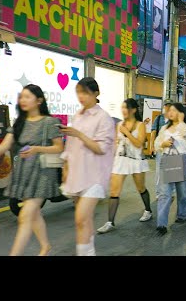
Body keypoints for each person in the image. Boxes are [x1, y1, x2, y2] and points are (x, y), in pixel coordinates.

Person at [0, 84, 63, 256]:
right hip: (23, 173)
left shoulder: (50, 122)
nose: (22, 100)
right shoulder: (19, 123)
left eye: (27, 96)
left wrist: (37, 149)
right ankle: (45, 246)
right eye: (21, 96)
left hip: (42, 174)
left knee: (25, 216)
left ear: (38, 101)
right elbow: (3, 147)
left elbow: (59, 147)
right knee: (34, 214)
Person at [60, 77, 116, 256]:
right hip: (77, 173)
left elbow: (100, 148)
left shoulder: (104, 118)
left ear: (96, 93)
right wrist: (66, 166)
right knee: (85, 221)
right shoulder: (78, 115)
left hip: (95, 176)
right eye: (78, 92)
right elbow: (70, 145)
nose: (81, 97)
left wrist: (78, 133)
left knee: (81, 218)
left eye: (85, 92)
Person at [97, 99, 151, 234]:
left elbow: (139, 144)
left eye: (125, 108)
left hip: (136, 160)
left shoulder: (140, 125)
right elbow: (115, 144)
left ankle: (148, 210)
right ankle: (110, 222)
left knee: (141, 188)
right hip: (120, 160)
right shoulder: (119, 125)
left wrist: (126, 132)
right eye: (122, 108)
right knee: (114, 191)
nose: (123, 110)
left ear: (133, 110)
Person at [154, 103, 186, 235]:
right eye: (169, 110)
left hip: (181, 159)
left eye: (173, 110)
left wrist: (181, 121)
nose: (170, 112)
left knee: (182, 192)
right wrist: (162, 144)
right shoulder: (164, 128)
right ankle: (161, 224)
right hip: (167, 159)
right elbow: (156, 144)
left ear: (180, 112)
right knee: (165, 193)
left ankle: (182, 215)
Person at [150, 99, 173, 200]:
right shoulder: (158, 118)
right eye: (166, 106)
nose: (167, 108)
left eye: (169, 106)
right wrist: (151, 146)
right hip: (160, 149)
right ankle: (159, 192)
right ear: (163, 107)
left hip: (172, 150)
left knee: (170, 171)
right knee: (159, 172)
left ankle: (170, 193)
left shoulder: (175, 119)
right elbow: (153, 132)